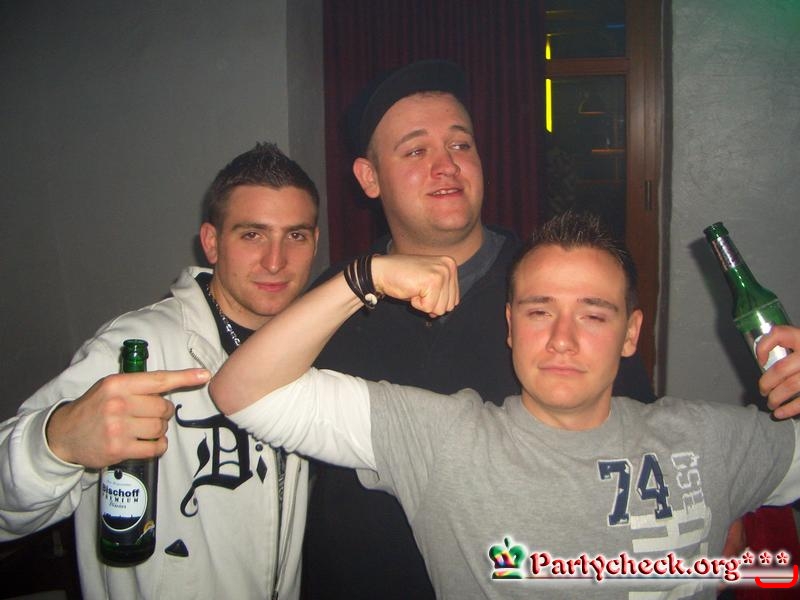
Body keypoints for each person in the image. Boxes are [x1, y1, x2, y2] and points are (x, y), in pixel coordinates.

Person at [210, 211, 800, 599]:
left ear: (631, 334)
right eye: (540, 311)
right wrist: (364, 277)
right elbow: (244, 391)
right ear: (511, 327)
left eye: (593, 315)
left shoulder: (709, 440)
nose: (562, 339)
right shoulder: (445, 440)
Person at [303, 58, 655, 599]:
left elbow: (642, 444)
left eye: (460, 144)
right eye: (416, 151)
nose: (446, 165)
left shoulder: (551, 292)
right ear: (369, 178)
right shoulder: (334, 301)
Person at [0, 142, 320, 599]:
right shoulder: (135, 348)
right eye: (252, 235)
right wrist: (57, 443)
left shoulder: (310, 349)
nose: (275, 261)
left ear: (315, 242)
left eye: (295, 236)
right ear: (211, 242)